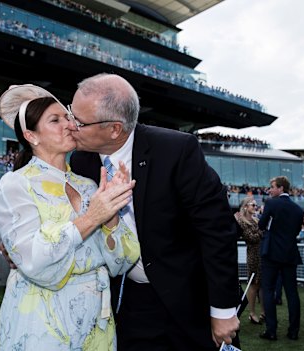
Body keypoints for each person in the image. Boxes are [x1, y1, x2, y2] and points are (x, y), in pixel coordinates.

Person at [69, 73, 239, 350]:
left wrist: (222, 311)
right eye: (69, 114)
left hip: (187, 298)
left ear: (114, 129)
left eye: (79, 122)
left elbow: (217, 230)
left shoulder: (176, 150)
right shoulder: (80, 161)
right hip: (128, 297)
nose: (70, 126)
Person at [0, 84, 140, 349]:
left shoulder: (89, 185)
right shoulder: (16, 184)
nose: (69, 124)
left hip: (97, 322)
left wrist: (111, 215)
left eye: (68, 117)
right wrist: (92, 217)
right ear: (31, 136)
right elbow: (34, 262)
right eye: (55, 120)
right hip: (42, 320)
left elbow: (122, 262)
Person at [258, 176, 303, 341]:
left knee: (268, 290)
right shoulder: (298, 209)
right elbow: (297, 232)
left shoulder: (271, 203)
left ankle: (271, 331)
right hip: (290, 254)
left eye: (272, 187)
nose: (269, 190)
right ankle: (293, 331)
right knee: (292, 292)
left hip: (271, 254)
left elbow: (261, 225)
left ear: (281, 189)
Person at [236, 197, 264, 325]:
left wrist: (260, 232)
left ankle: (264, 312)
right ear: (246, 206)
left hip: (262, 254)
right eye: (253, 205)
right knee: (253, 284)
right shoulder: (242, 221)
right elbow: (251, 237)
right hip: (253, 255)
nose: (255, 207)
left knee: (262, 284)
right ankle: (252, 313)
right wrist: (261, 232)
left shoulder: (256, 220)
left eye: (256, 205)